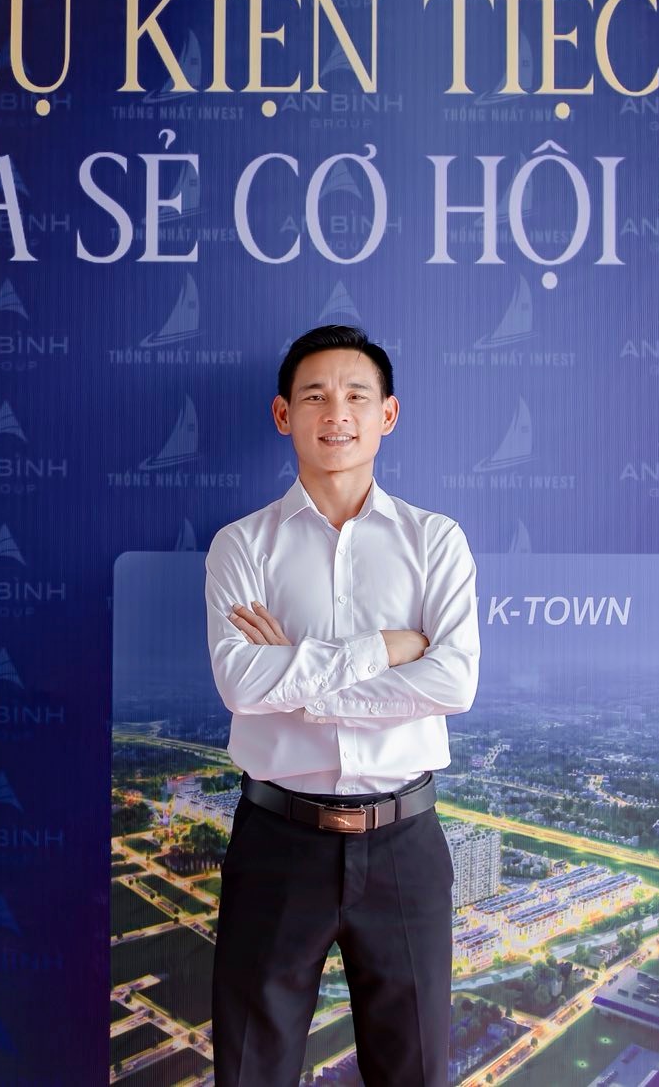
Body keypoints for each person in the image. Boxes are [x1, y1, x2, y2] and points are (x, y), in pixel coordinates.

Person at [205, 323, 481, 1087]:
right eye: (315, 396)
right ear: (283, 414)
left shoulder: (435, 541)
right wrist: (387, 648)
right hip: (276, 841)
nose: (337, 413)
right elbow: (241, 685)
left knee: (414, 1071)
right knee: (251, 1071)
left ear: (387, 414)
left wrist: (298, 681)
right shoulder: (241, 547)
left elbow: (453, 683)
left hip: (405, 845)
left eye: (357, 396)